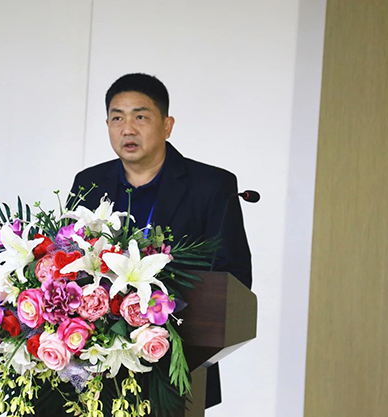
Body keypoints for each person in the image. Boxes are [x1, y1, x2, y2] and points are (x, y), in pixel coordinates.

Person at [68, 73, 253, 410]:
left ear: (167, 125)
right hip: (94, 367)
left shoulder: (211, 186)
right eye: (117, 118)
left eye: (140, 117)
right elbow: (67, 260)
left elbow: (235, 275)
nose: (127, 129)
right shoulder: (90, 182)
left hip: (176, 366)